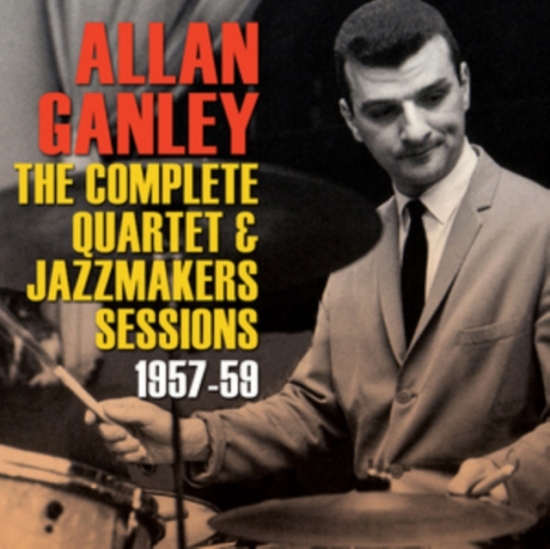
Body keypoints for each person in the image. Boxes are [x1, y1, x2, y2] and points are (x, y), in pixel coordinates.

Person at [87, 0, 550, 518]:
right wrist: (189, 437)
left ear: (463, 85)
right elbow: (313, 409)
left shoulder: (542, 226)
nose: (416, 129)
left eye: (433, 96)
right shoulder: (357, 246)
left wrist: (511, 475)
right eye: (383, 111)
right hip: (371, 534)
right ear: (351, 120)